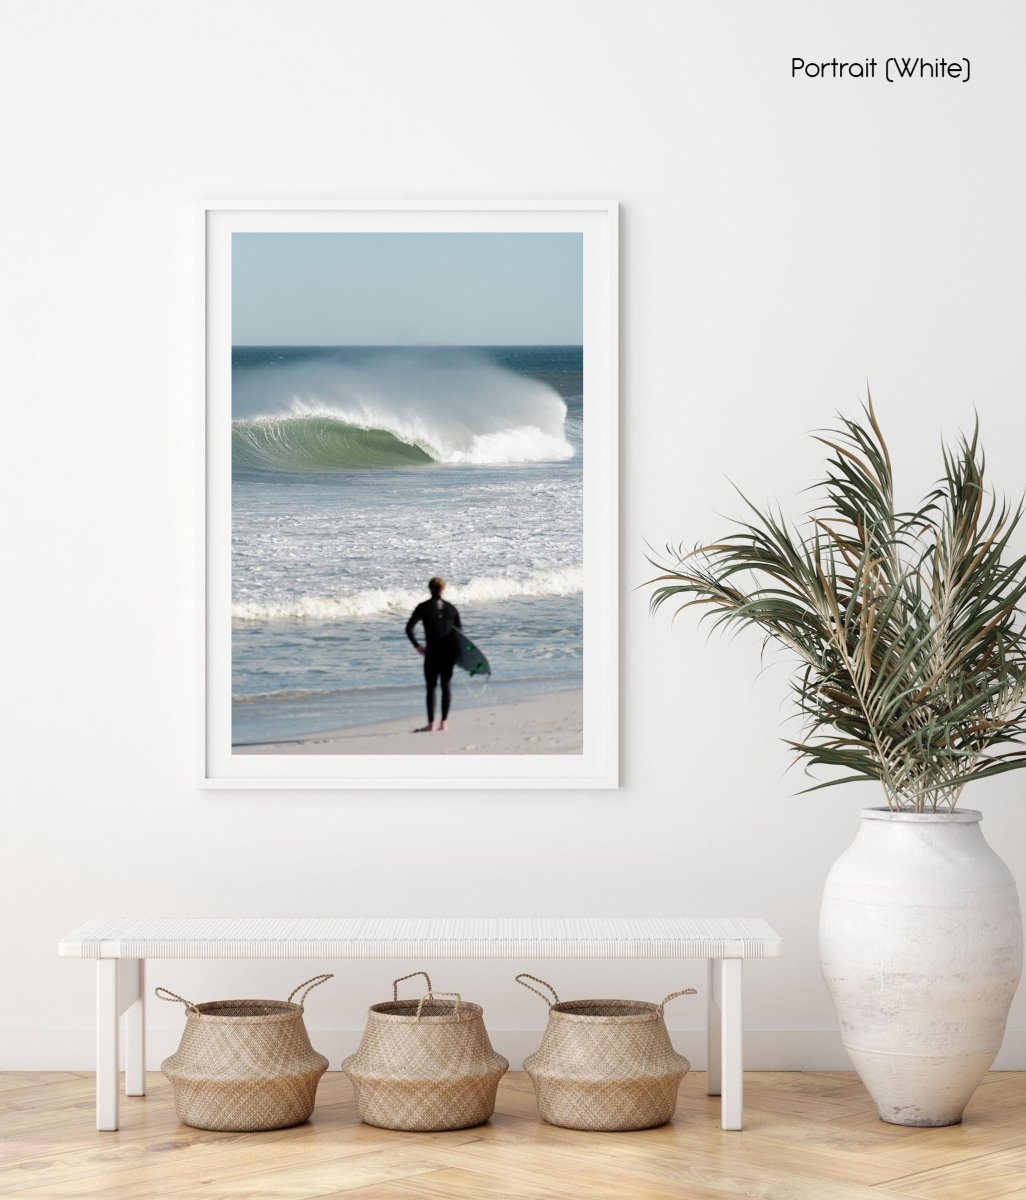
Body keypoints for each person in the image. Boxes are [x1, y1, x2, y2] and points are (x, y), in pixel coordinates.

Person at [405, 577, 461, 732]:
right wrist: (460, 657)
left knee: (431, 688)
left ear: (429, 588)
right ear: (443, 589)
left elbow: (409, 628)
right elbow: (460, 636)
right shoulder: (451, 608)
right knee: (446, 687)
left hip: (432, 653)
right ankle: (444, 723)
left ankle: (431, 724)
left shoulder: (423, 607)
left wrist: (417, 646)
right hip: (448, 654)